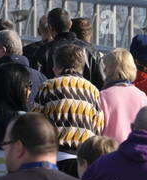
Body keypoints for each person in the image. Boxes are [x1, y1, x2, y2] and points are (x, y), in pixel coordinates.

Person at [33, 42, 105, 172]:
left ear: (57, 66)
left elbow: (35, 120)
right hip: (83, 158)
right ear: (82, 67)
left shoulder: (48, 86)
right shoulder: (93, 90)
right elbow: (98, 126)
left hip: (55, 156)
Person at [98, 49, 147, 143]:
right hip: (136, 153)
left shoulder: (102, 96)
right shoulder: (142, 96)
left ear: (108, 69)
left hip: (109, 153)